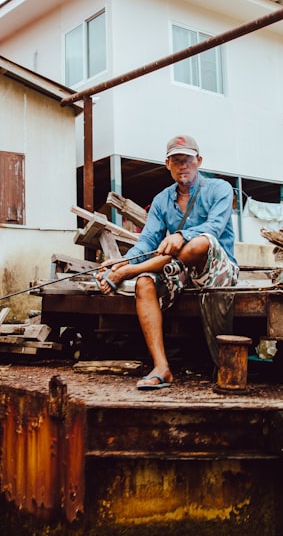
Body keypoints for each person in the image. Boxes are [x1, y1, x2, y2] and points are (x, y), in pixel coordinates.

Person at [97, 135, 239, 390]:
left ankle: (130, 271)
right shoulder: (162, 199)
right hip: (178, 268)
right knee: (143, 283)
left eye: (187, 160)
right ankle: (162, 367)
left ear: (199, 161)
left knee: (198, 243)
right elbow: (147, 242)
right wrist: (120, 262)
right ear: (167, 165)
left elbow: (214, 228)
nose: (182, 166)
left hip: (217, 266)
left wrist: (181, 234)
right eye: (176, 161)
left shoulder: (220, 189)